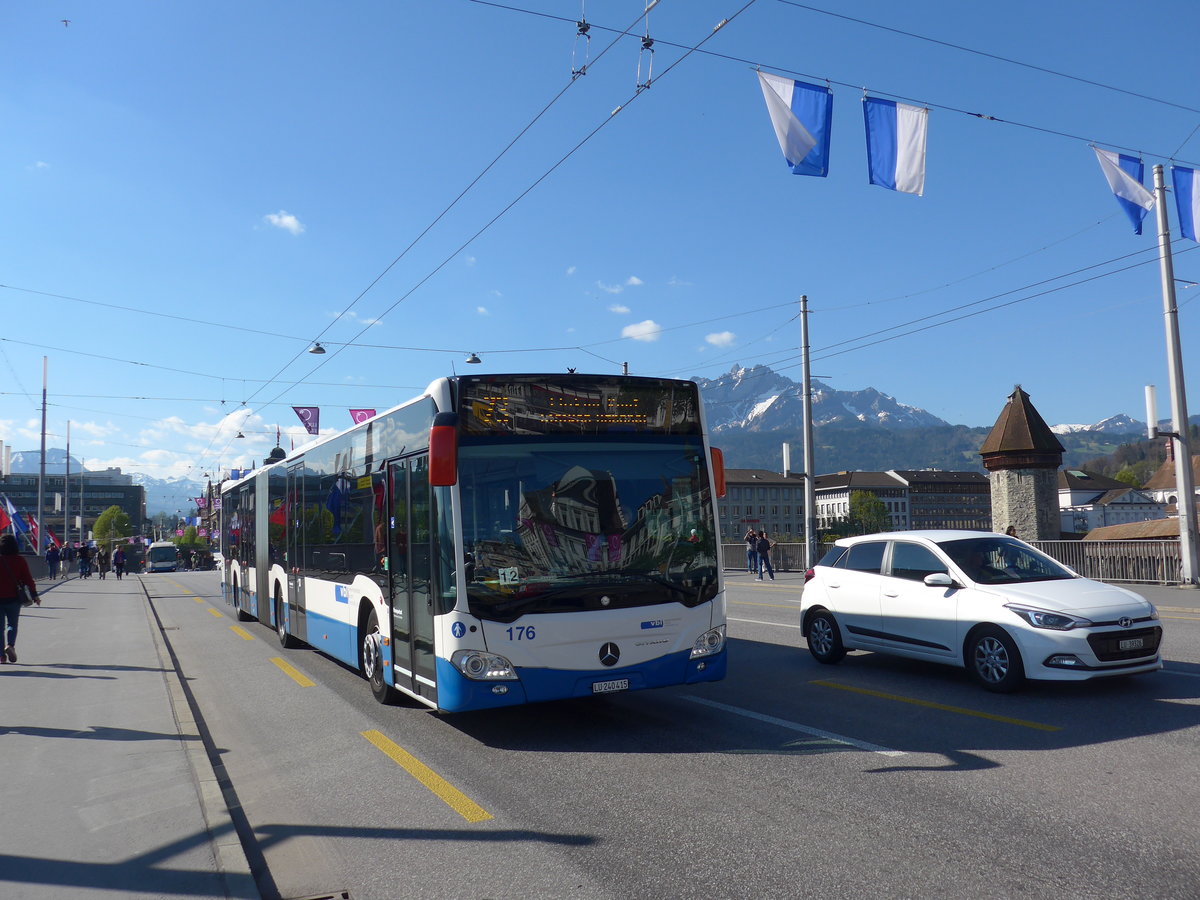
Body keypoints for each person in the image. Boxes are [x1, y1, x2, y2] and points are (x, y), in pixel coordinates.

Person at [0, 533, 40, 664]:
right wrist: (35, 595)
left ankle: (1, 656)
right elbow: (28, 579)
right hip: (14, 598)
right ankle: (10, 645)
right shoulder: (20, 560)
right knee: (12, 624)